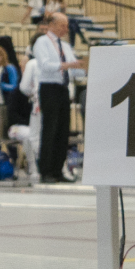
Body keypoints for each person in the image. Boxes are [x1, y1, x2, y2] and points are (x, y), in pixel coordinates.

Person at [30, 11, 81, 183]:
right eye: (63, 25)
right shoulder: (42, 42)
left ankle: (58, 170)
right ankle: (46, 170)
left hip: (63, 89)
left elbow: (73, 68)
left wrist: (84, 66)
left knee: (62, 130)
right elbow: (45, 65)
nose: (66, 29)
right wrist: (65, 65)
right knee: (50, 129)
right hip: (49, 88)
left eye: (67, 25)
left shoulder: (65, 46)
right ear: (52, 24)